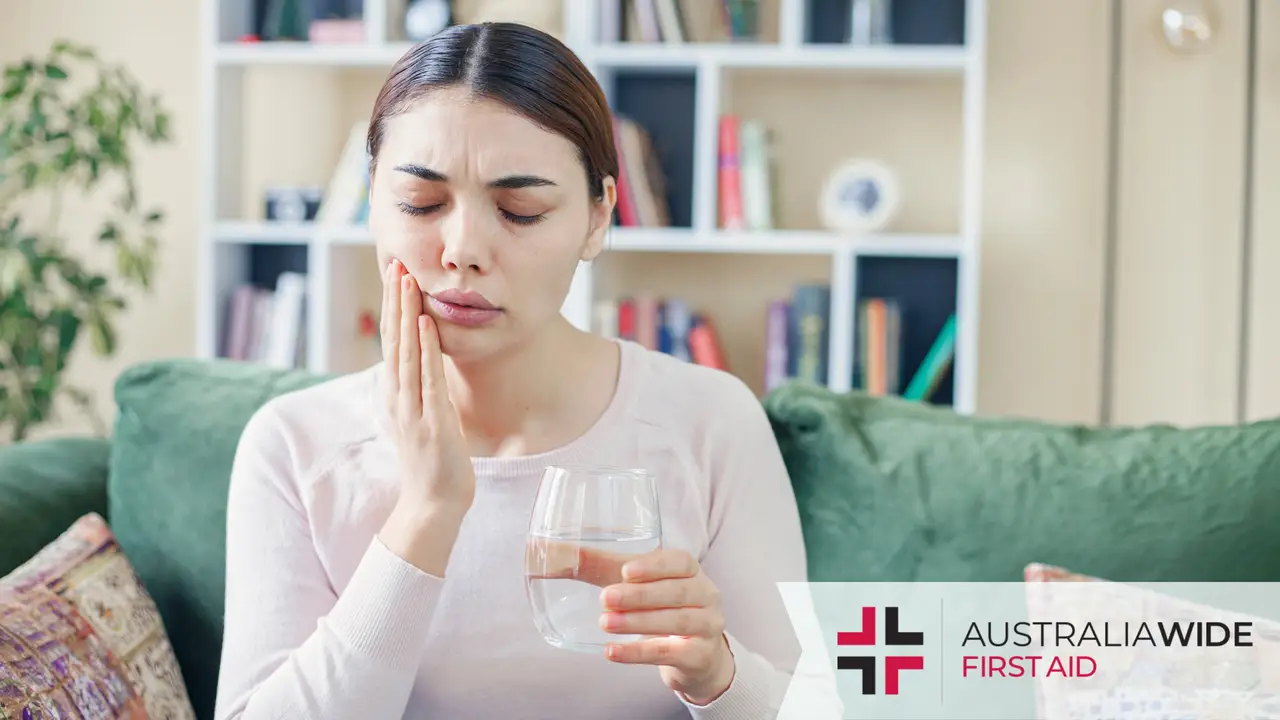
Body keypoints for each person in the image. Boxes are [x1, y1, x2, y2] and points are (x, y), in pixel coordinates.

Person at [214, 21, 829, 720]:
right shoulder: (295, 445)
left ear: (599, 217)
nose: (463, 249)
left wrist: (716, 673)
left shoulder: (710, 421)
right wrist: (426, 512)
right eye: (421, 203)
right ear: (373, 201)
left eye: (520, 210)